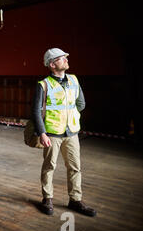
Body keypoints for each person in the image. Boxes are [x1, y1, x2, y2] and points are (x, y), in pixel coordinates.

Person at [32, 48, 96, 217]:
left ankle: (75, 200)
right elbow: (36, 112)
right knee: (49, 167)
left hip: (72, 133)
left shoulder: (74, 80)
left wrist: (71, 117)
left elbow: (81, 104)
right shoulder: (44, 84)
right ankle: (47, 199)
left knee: (75, 167)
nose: (67, 60)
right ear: (52, 64)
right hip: (52, 133)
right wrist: (42, 133)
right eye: (62, 58)